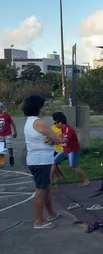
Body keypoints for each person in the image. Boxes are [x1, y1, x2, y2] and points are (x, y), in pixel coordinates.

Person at [23, 95, 63, 229]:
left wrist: (52, 138)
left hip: (39, 160)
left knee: (46, 188)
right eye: (44, 105)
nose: (46, 107)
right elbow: (58, 139)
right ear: (39, 108)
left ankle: (51, 213)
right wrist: (55, 138)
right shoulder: (39, 122)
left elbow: (51, 138)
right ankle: (38, 221)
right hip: (40, 161)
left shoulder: (31, 121)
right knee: (41, 190)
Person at [51, 112, 90, 187]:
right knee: (54, 162)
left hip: (73, 150)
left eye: (55, 122)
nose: (55, 124)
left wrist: (54, 140)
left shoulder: (68, 129)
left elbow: (64, 140)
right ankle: (49, 180)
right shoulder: (63, 129)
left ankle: (86, 180)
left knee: (73, 167)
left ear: (60, 123)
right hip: (66, 150)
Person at [0, 102, 17, 166]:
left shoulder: (6, 115)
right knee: (1, 148)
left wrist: (15, 131)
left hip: (7, 134)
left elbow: (12, 123)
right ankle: (1, 162)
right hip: (0, 135)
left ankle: (11, 157)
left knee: (9, 146)